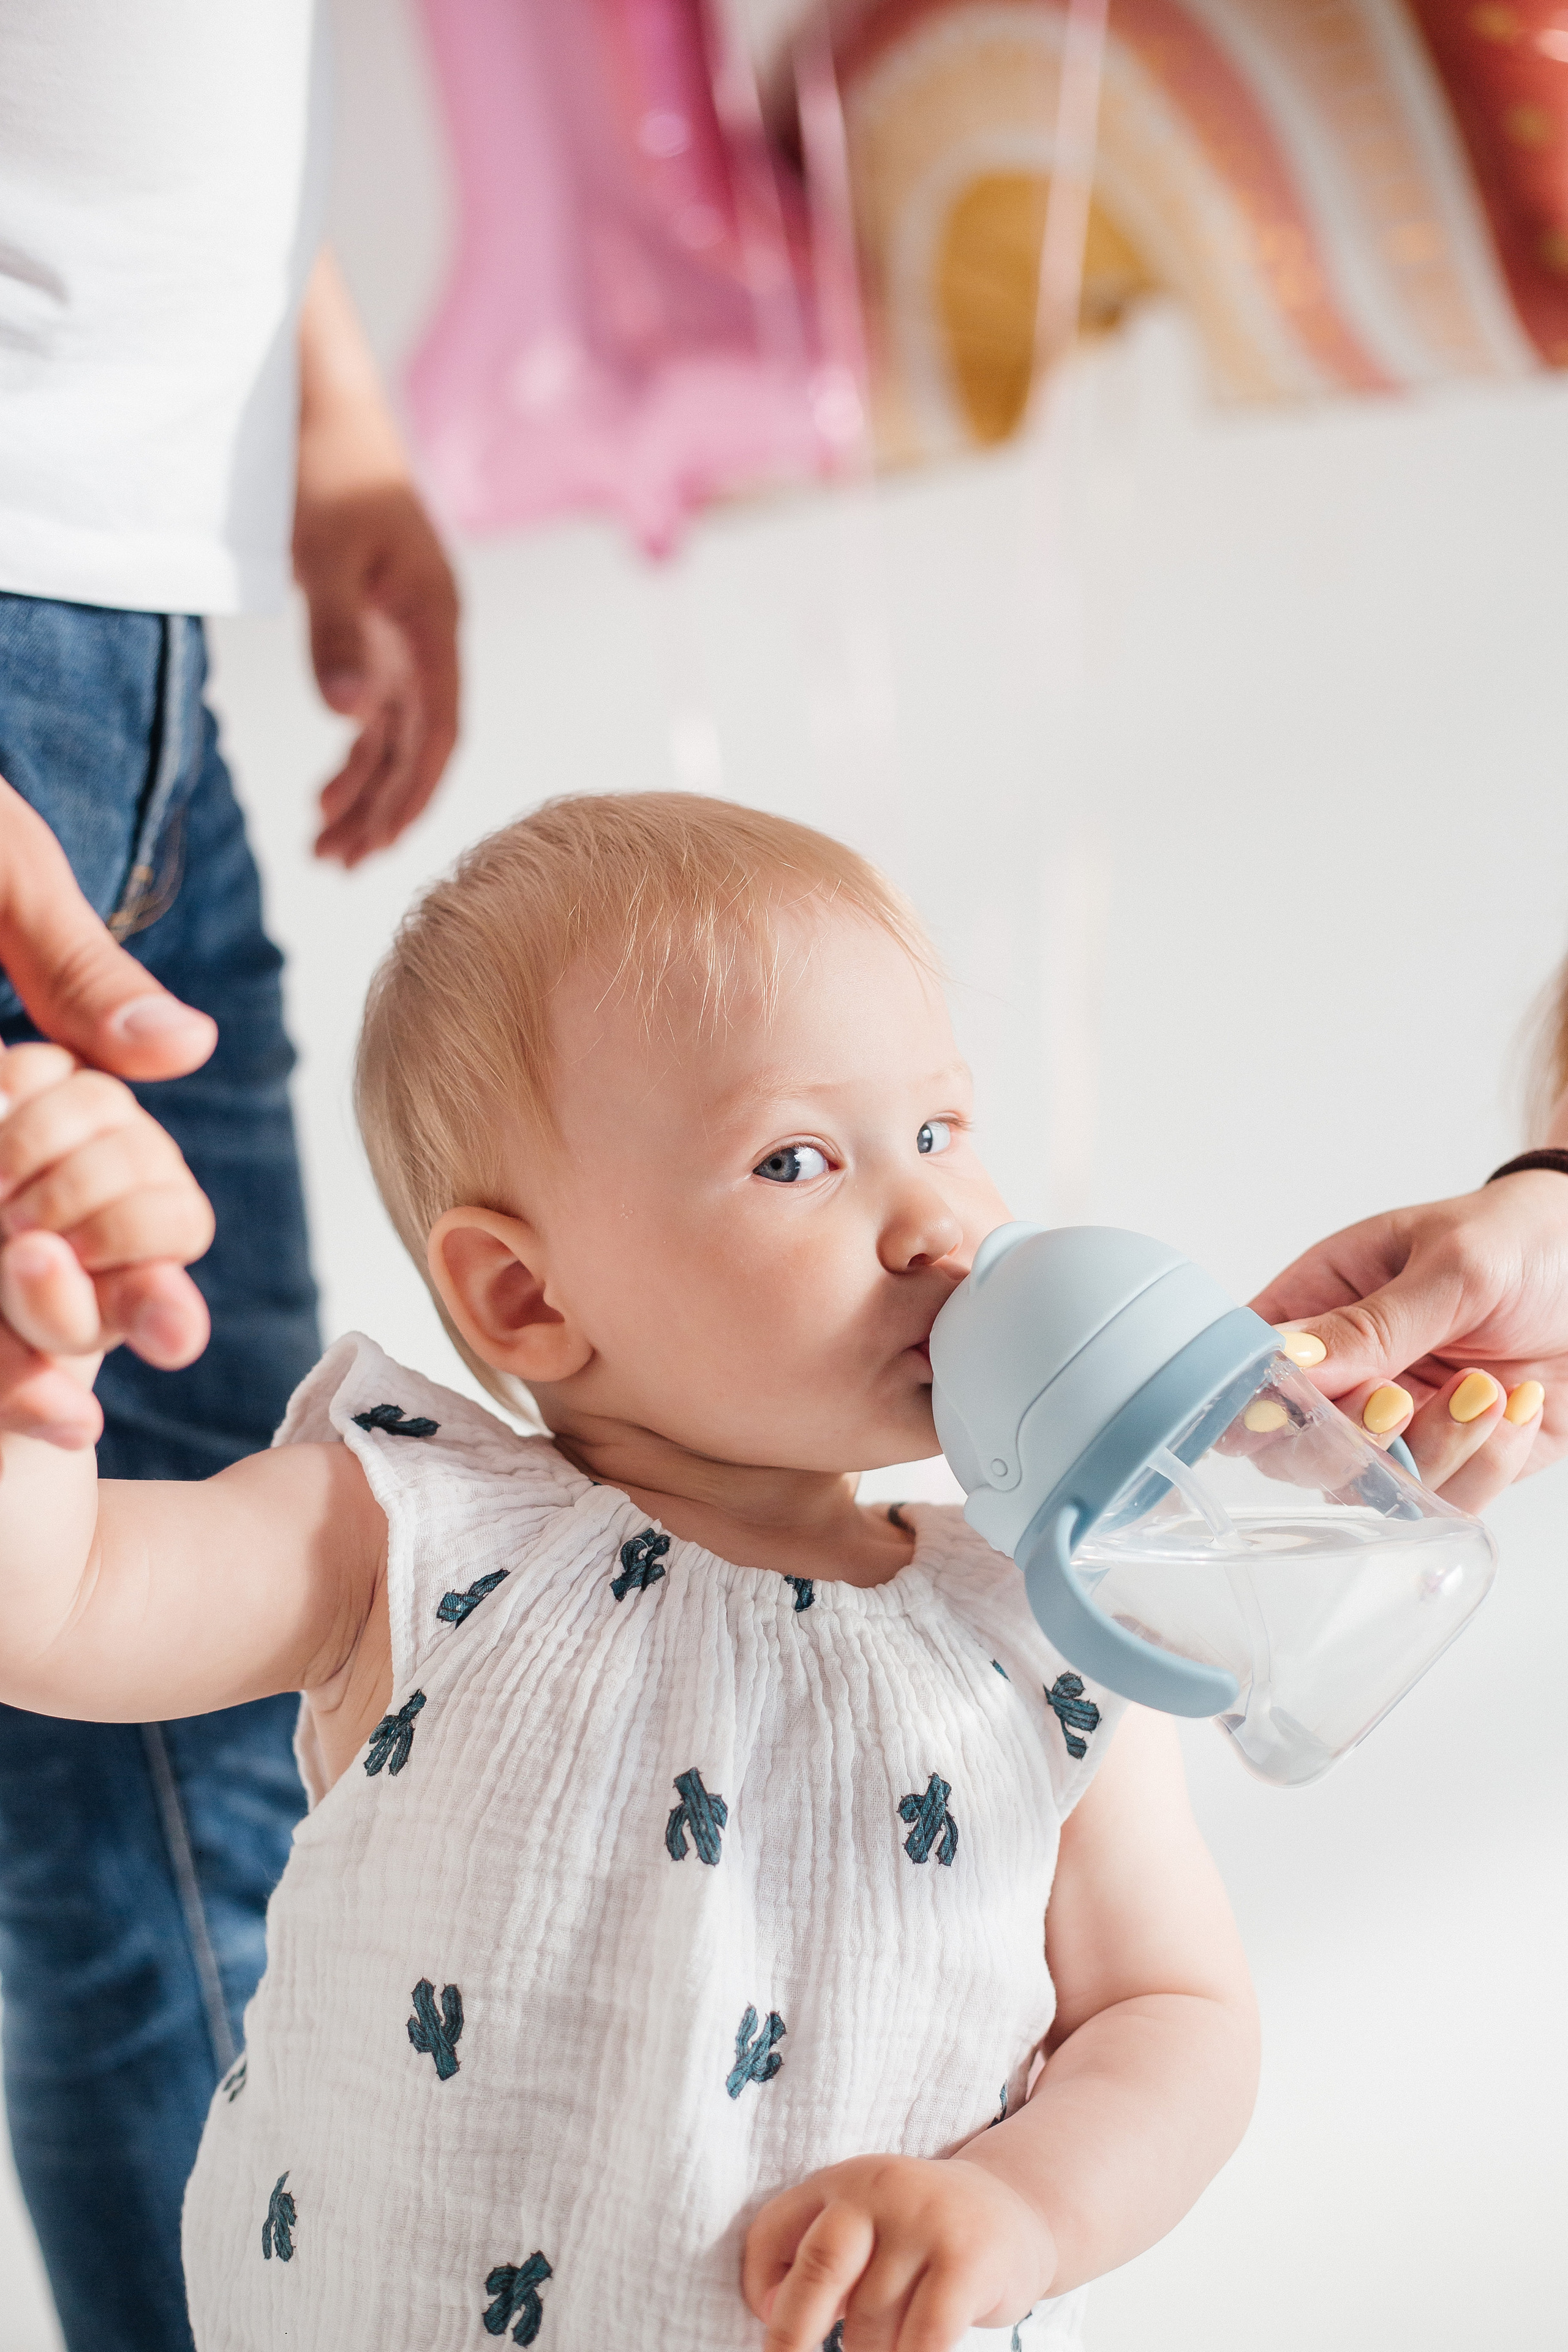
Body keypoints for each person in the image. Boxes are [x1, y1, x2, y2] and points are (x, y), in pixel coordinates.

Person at [0, 793, 1534, 2350]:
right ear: (524, 1295)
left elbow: (1169, 2016)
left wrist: (1024, 2207)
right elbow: (51, 1608)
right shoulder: (409, 1532)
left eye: (938, 1132)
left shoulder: (1041, 1628)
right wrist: (27, 1396)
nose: (933, 1220)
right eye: (797, 1159)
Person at [0, 9, 459, 2345]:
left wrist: (323, 414)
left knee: (206, 1746)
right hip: (38, 622)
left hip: (128, 615)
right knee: (128, 1794)